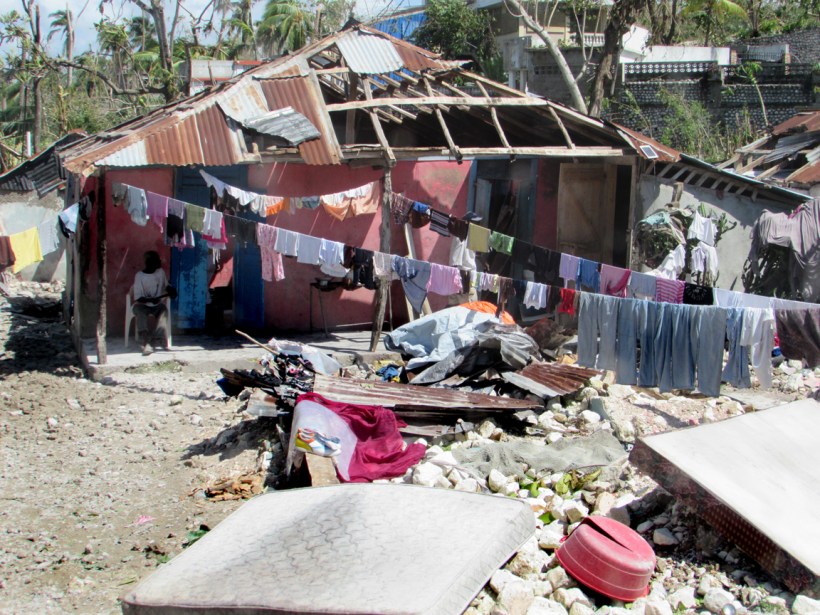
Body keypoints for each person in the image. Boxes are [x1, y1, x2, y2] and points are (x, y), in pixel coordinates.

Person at [133, 251, 176, 355]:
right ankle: (145, 340)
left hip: (157, 306)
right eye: (156, 261)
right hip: (142, 305)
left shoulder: (160, 272)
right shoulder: (139, 276)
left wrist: (171, 290)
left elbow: (166, 285)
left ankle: (154, 339)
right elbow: (138, 298)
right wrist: (150, 300)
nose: (159, 262)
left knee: (163, 311)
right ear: (148, 262)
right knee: (140, 313)